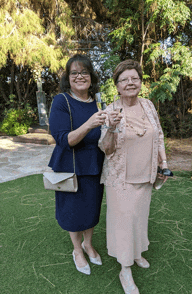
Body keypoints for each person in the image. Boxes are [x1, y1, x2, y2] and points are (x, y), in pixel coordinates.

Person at [98, 60, 169, 293]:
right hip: (120, 179)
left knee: (139, 217)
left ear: (140, 82)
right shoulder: (110, 111)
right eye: (124, 80)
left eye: (134, 78)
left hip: (145, 175)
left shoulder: (148, 105)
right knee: (124, 221)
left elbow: (157, 135)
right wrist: (110, 127)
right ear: (117, 86)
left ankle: (137, 253)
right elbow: (105, 149)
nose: (130, 83)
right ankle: (125, 268)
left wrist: (163, 165)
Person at [48, 54, 107, 275]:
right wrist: (90, 124)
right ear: (68, 77)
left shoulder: (99, 101)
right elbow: (64, 140)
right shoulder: (61, 101)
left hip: (95, 163)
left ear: (91, 76)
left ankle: (88, 244)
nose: (80, 76)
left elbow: (106, 134)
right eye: (74, 73)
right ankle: (77, 250)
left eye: (84, 72)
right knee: (73, 212)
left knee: (92, 208)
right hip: (70, 165)